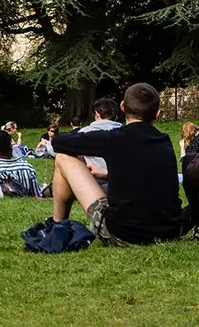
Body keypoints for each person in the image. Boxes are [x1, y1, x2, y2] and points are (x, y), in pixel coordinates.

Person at [50, 82, 182, 246]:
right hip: (169, 231)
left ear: (122, 107)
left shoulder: (113, 138)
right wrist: (108, 174)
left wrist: (80, 132)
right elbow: (147, 175)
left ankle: (57, 225)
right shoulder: (164, 141)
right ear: (157, 114)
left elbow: (58, 143)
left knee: (63, 158)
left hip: (124, 234)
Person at [74, 96, 123, 181]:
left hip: (95, 182)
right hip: (123, 180)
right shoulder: (126, 132)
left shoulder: (85, 132)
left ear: (96, 114)